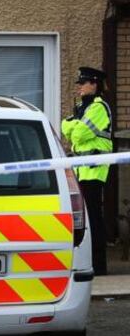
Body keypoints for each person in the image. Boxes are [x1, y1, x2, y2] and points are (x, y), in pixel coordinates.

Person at [61, 66, 113, 276]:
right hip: (82, 170)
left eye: (83, 83)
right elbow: (65, 127)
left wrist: (75, 125)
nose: (80, 87)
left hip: (94, 170)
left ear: (94, 84)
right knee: (86, 219)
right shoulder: (83, 108)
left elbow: (79, 134)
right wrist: (74, 125)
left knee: (93, 218)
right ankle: (90, 261)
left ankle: (99, 266)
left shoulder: (99, 108)